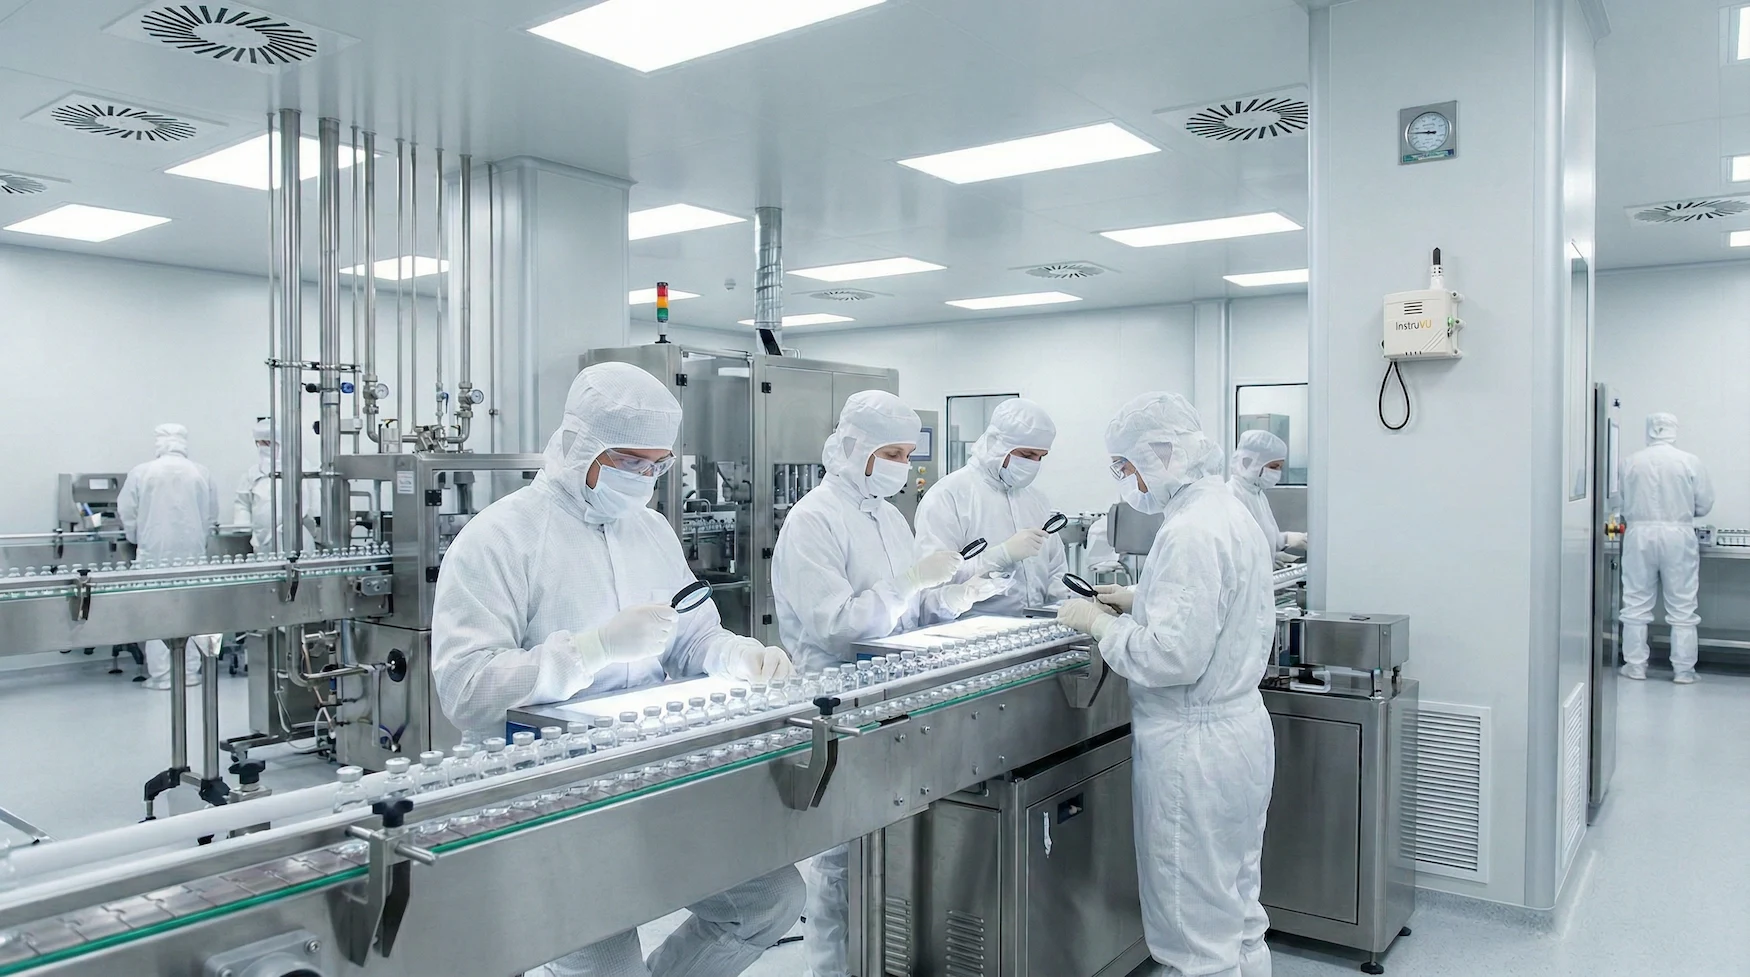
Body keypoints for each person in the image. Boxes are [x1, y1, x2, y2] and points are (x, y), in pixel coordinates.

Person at [431, 363, 803, 977]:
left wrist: (737, 654)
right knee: (604, 965)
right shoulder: (498, 538)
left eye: (657, 466)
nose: (646, 480)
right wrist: (591, 651)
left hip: (649, 771)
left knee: (771, 899)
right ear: (582, 446)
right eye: (632, 461)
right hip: (547, 787)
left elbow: (693, 632)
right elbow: (468, 691)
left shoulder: (651, 530)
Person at [771, 389, 1001, 977]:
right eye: (892, 453)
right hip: (837, 701)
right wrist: (909, 585)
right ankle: (834, 969)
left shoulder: (890, 516)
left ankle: (882, 962)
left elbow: (912, 611)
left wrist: (955, 596)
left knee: (889, 849)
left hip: (895, 697)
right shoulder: (813, 521)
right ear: (854, 450)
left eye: (907, 453)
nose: (903, 465)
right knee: (839, 863)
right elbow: (838, 623)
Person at [1057, 393, 1275, 977]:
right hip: (1240, 734)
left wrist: (1101, 622)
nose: (1127, 481)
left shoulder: (1188, 532)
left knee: (1192, 933)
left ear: (1159, 457)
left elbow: (1170, 658)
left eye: (1126, 468)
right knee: (1237, 913)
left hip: (1193, 752)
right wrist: (1142, 598)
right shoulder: (1228, 511)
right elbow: (1224, 608)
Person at [914, 398, 1069, 614]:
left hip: (1038, 629)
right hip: (970, 634)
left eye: (1040, 457)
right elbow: (931, 584)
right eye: (1026, 455)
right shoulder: (949, 496)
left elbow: (1056, 568)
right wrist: (1000, 556)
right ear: (998, 444)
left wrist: (1064, 606)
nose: (1033, 464)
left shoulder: (1036, 500)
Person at [118, 424, 221, 690]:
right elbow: (211, 515)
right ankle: (191, 671)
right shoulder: (201, 472)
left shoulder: (142, 472)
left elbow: (128, 512)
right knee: (194, 613)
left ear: (159, 443)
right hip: (193, 554)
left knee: (158, 612)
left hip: (155, 554)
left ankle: (163, 675)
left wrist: (135, 538)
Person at [1619, 412, 1714, 684]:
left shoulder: (1630, 462)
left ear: (1648, 430)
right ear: (1674, 429)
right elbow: (1704, 504)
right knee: (1683, 604)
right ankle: (1683, 671)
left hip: (1639, 534)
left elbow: (1618, 499)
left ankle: (1635, 666)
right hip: (1678, 533)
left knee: (1635, 601)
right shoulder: (1689, 461)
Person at [233, 418, 319, 553]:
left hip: (297, 539)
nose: (263, 449)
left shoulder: (301, 468)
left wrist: (317, 526)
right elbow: (242, 502)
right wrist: (242, 525)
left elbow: (315, 501)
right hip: (261, 542)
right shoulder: (253, 473)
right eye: (260, 444)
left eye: (268, 443)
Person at [1227, 430, 1308, 559]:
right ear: (1248, 462)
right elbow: (1236, 549)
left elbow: (1267, 538)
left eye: (1280, 468)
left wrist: (1288, 539)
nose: (1277, 473)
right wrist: (1265, 563)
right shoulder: (1231, 495)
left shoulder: (1258, 494)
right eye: (1274, 467)